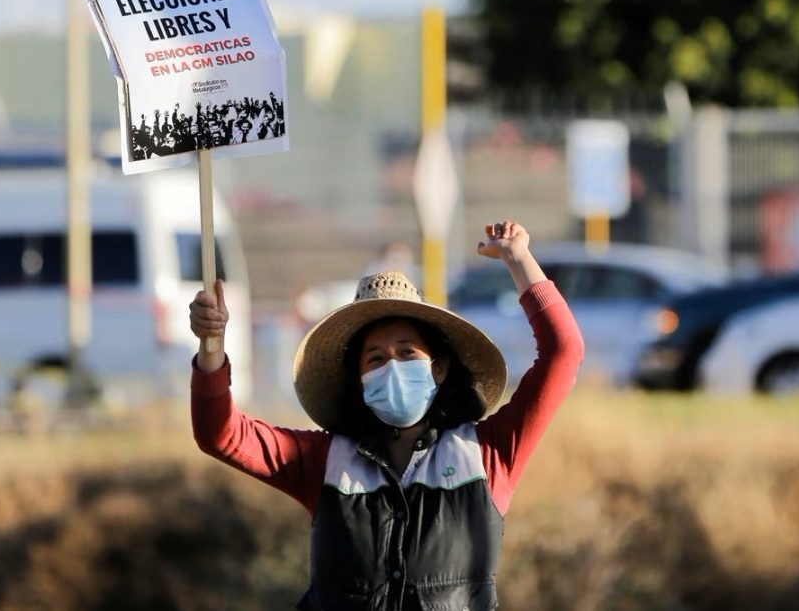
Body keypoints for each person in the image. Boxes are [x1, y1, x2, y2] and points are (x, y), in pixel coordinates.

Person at [188, 220, 584, 610]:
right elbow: (221, 435)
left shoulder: (487, 455)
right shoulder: (324, 461)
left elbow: (563, 352)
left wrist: (519, 261)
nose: (392, 366)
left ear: (440, 368)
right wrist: (211, 351)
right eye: (375, 358)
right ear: (359, 381)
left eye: (407, 352)